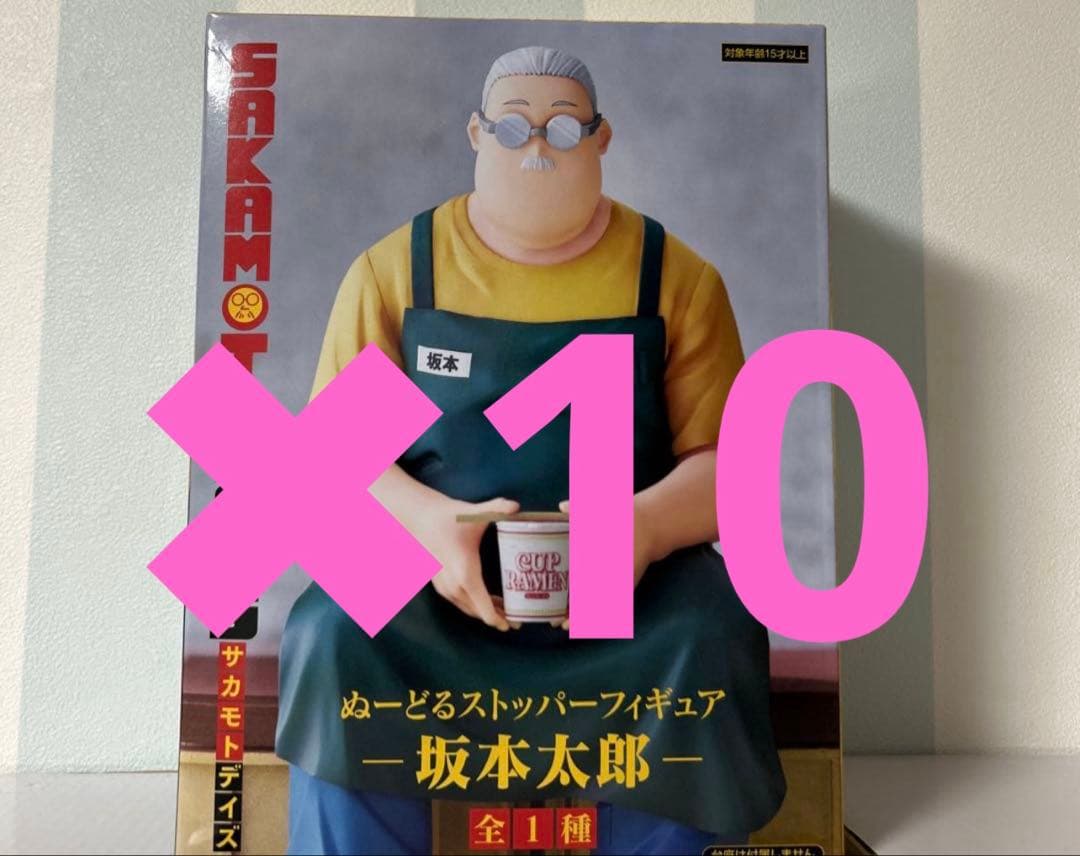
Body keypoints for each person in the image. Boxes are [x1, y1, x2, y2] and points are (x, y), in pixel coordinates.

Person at [275, 45, 785, 855]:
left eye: (563, 128)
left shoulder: (673, 278)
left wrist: (644, 527)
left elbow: (731, 471)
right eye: (513, 128)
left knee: (712, 633)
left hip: (629, 594)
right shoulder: (399, 271)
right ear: (477, 133)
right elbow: (330, 456)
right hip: (433, 586)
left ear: (602, 138)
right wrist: (429, 524)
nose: (537, 146)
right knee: (329, 630)